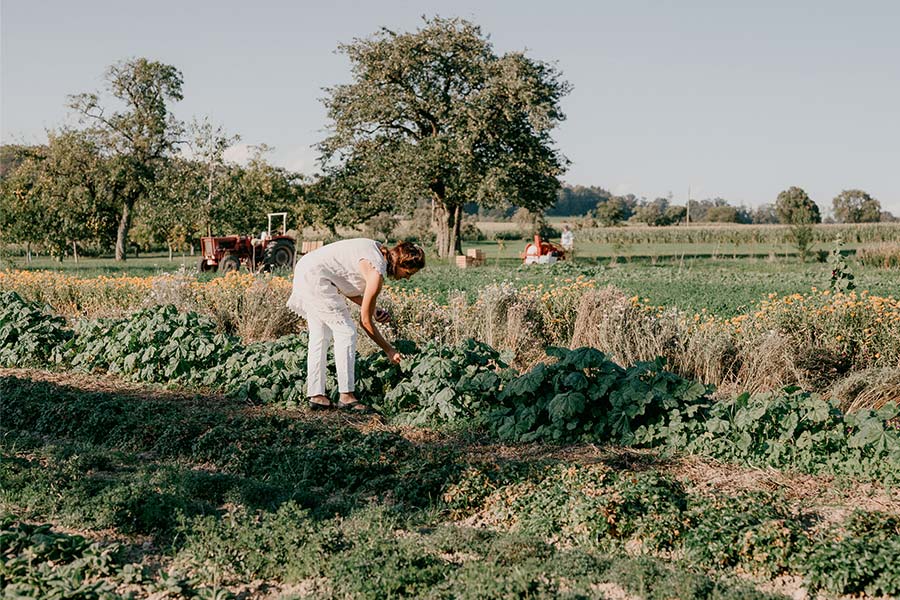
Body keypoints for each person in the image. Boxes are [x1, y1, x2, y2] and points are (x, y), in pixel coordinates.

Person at [286, 238, 425, 412]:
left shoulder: (377, 250)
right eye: (409, 273)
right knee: (347, 332)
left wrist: (374, 310)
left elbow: (345, 286)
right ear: (402, 263)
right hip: (315, 277)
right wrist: (389, 350)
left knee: (320, 335)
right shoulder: (377, 273)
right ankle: (347, 396)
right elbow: (365, 322)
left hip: (306, 268)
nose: (407, 278)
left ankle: (317, 396)